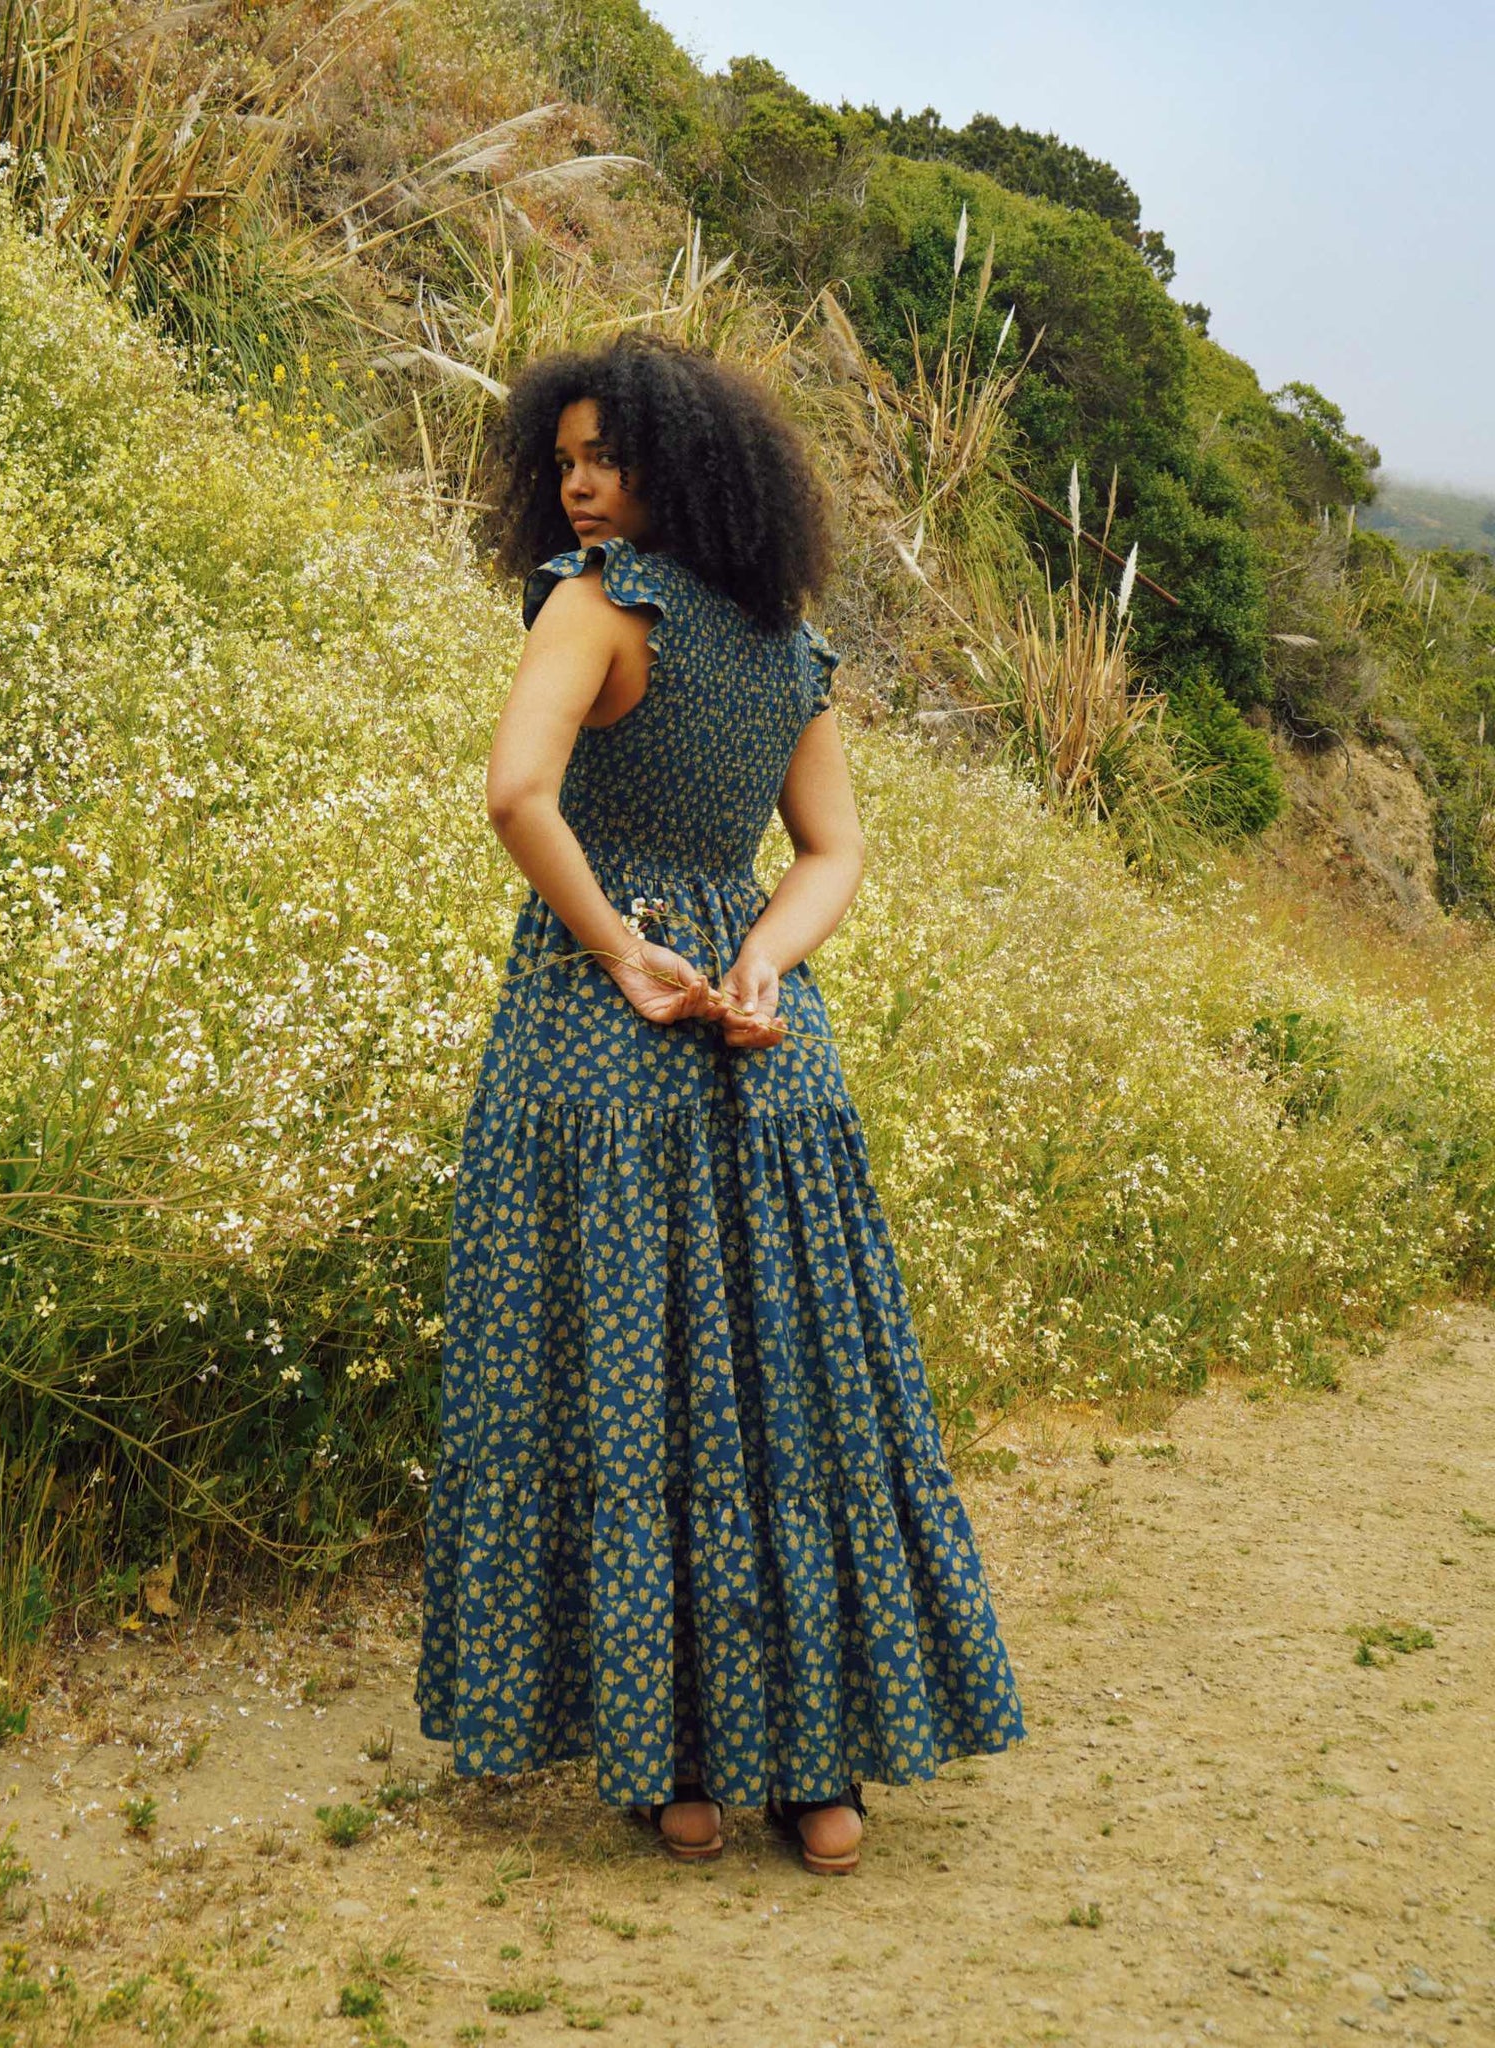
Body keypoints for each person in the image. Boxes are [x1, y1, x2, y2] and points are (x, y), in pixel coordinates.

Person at [414, 336, 1023, 1875]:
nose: (577, 485)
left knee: (633, 1385)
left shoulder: (593, 603)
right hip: (766, 1043)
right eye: (563, 462)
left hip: (605, 1038)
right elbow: (832, 850)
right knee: (787, 1387)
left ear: (679, 464)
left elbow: (516, 795)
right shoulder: (783, 638)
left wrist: (624, 952)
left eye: (604, 458)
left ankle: (675, 1766)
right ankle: (819, 1777)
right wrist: (762, 961)